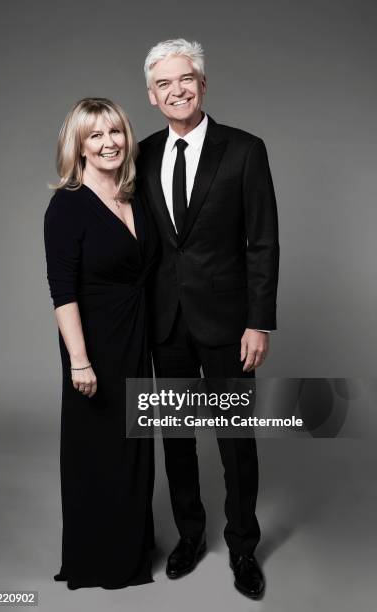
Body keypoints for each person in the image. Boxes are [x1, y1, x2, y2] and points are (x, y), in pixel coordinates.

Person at [137, 39, 279, 600]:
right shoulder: (142, 154)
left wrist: (259, 321)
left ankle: (243, 547)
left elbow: (262, 243)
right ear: (151, 96)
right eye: (164, 83)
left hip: (228, 324)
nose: (177, 90)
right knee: (175, 438)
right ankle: (190, 536)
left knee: (235, 441)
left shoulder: (244, 150)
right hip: (164, 322)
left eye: (186, 78)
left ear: (203, 83)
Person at [44, 97, 158, 590]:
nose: (109, 143)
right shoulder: (67, 205)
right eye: (96, 136)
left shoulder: (136, 195)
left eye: (115, 132)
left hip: (138, 339)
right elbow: (62, 291)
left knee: (134, 448)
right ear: (80, 146)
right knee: (96, 452)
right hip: (94, 347)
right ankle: (98, 559)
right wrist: (80, 361)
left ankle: (133, 548)